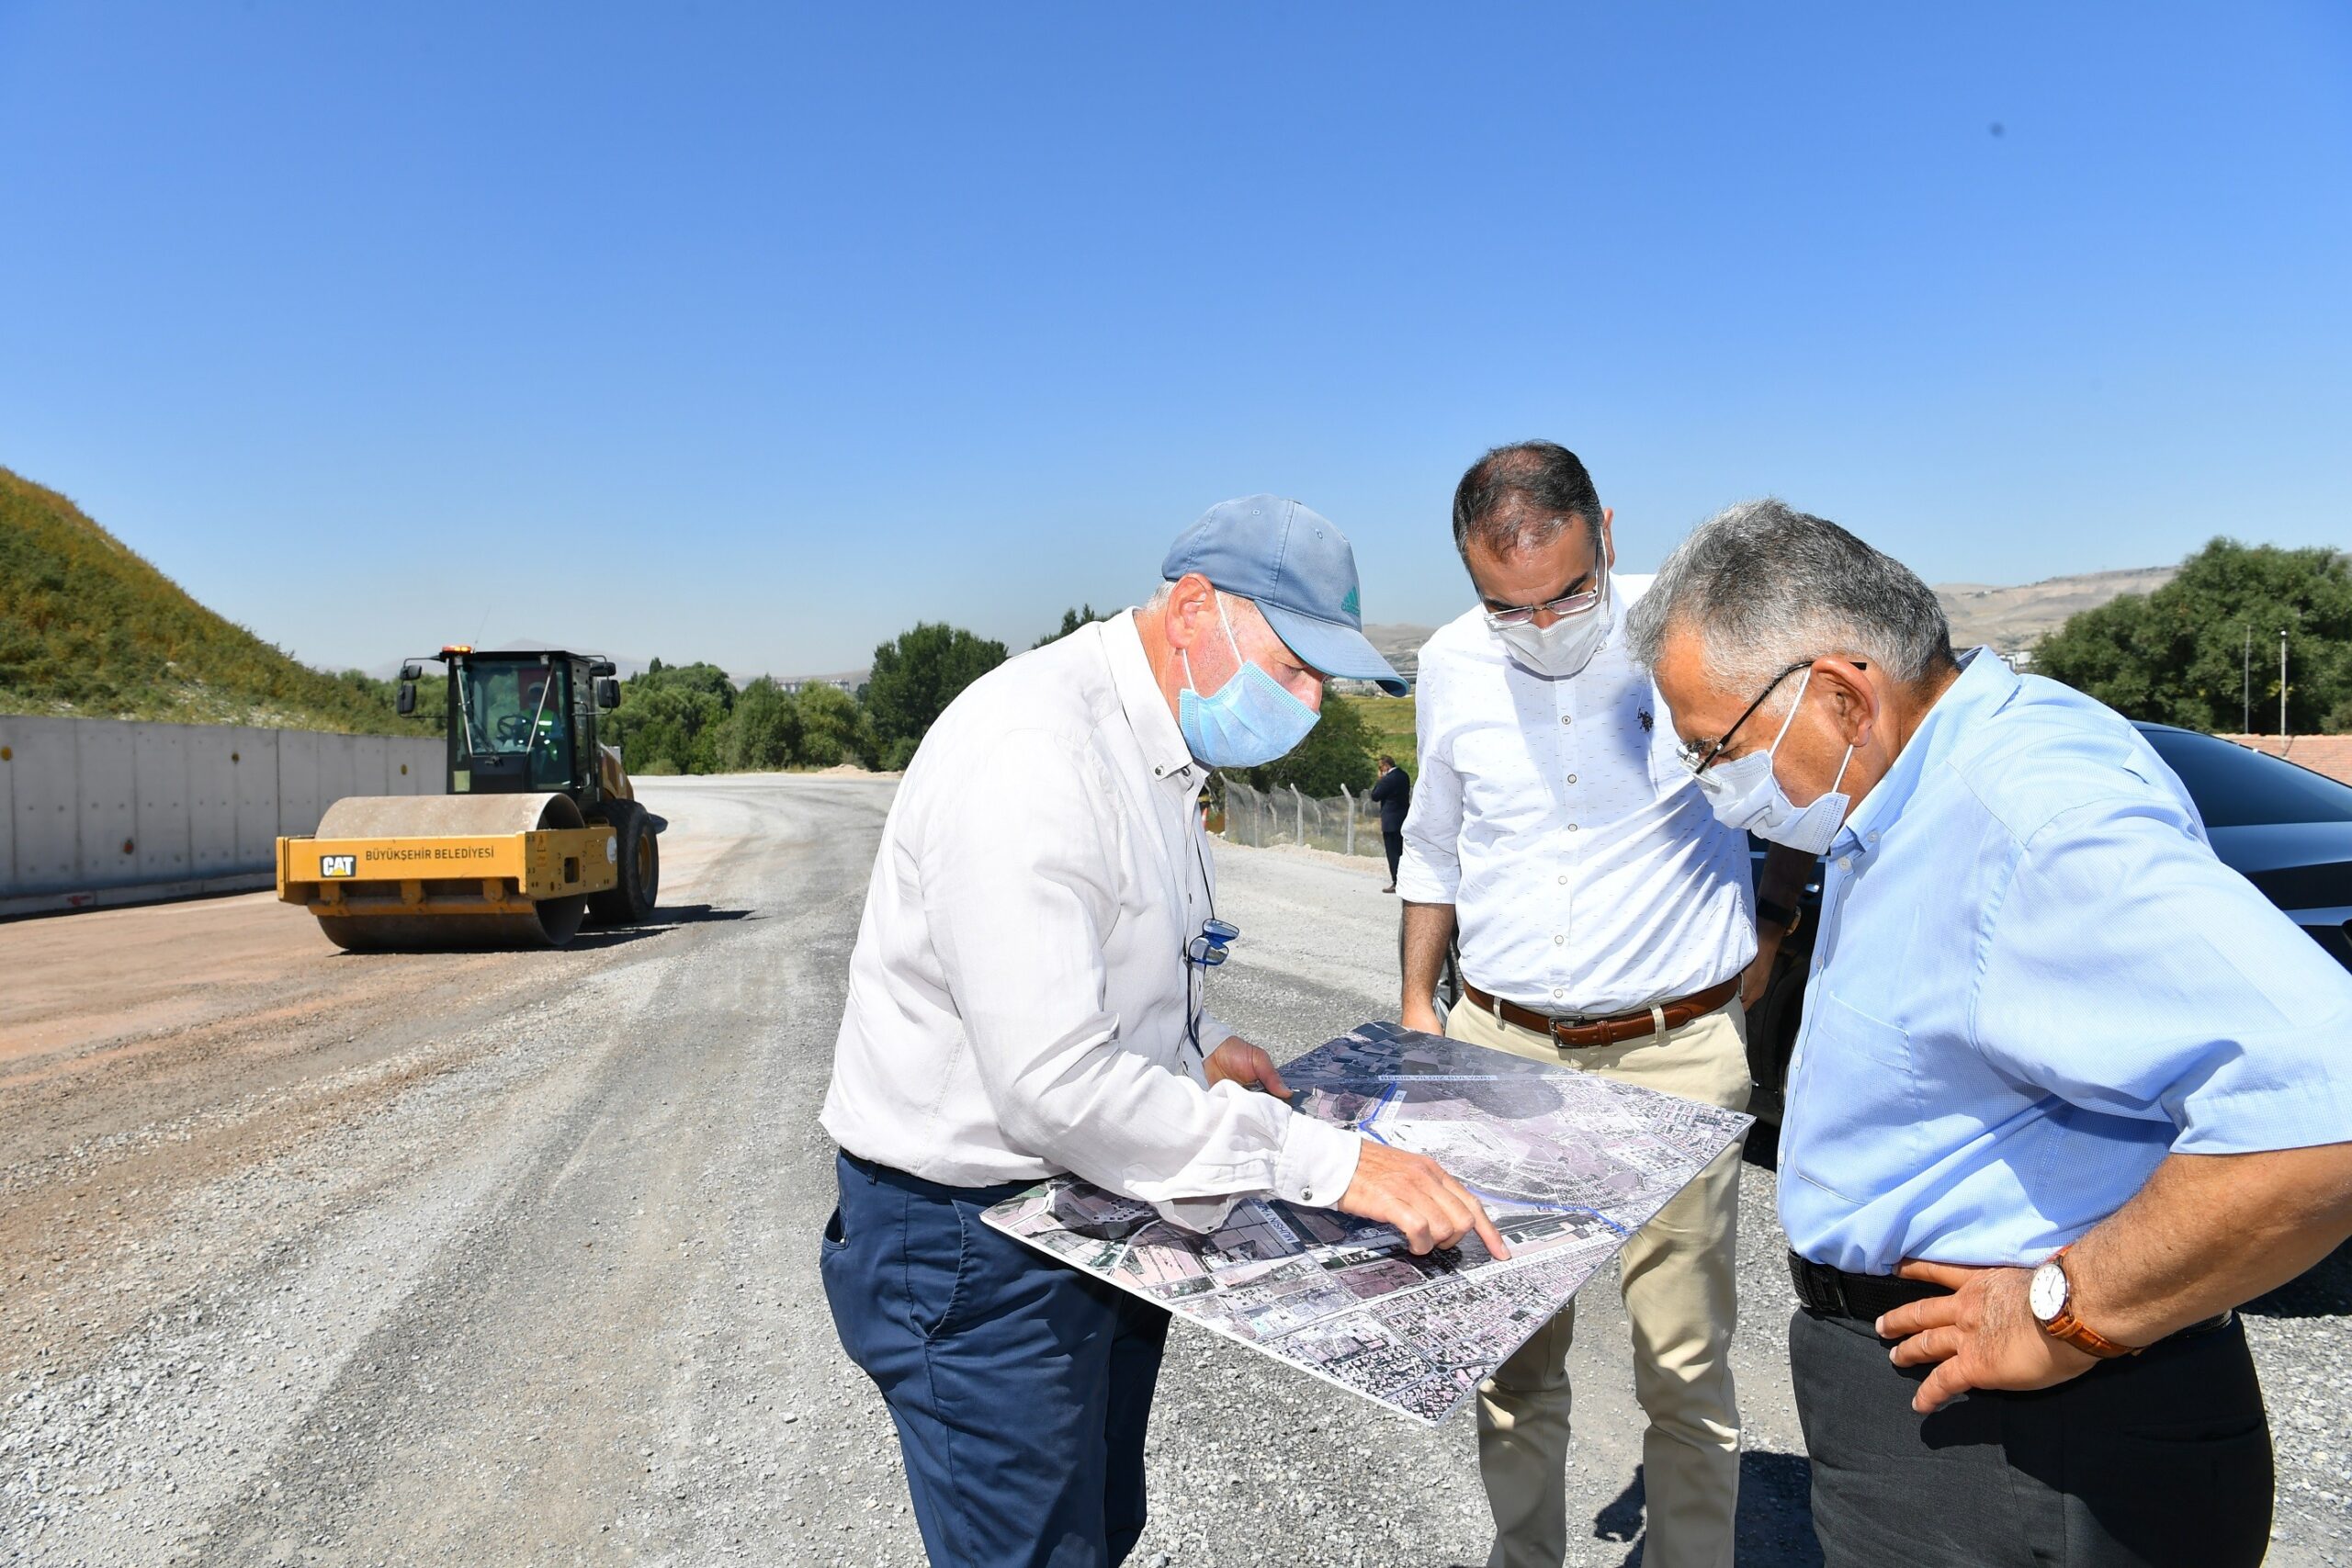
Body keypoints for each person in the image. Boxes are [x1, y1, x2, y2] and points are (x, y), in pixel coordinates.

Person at [1627, 499, 2352, 1568]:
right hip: (1970, 1423)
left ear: (1835, 695)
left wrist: (2067, 1312)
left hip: (2028, 1449)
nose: (1716, 788)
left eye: (1715, 749)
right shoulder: (1924, 777)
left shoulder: (2025, 818)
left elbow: (2324, 1099)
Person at [820, 494, 1510, 1568]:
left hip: (1082, 1204)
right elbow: (1053, 1083)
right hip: (974, 1241)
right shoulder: (1030, 756)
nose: (1309, 700)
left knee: (1099, 1526)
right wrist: (1331, 1166)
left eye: (1322, 677)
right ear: (1193, 607)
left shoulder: (1155, 740)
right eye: (1291, 667)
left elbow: (1107, 965)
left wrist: (1201, 1042)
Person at [1396, 443, 1812, 1568]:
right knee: (1513, 1354)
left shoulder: (1690, 636)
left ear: (1610, 535)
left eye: (1567, 593)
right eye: (1505, 606)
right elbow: (1433, 844)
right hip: (1500, 1053)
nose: (1540, 627)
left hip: (1674, 1055)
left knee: (1681, 1362)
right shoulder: (1447, 663)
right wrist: (1415, 1009)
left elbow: (1789, 791)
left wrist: (1768, 929)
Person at [1370, 753, 1411, 891]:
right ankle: (1407, 880)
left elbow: (1375, 796)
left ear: (1386, 766)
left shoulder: (1388, 780)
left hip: (1391, 821)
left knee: (1393, 853)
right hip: (1404, 817)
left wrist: (1380, 780)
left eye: (1381, 768)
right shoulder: (1404, 776)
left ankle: (1396, 882)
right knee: (1403, 851)